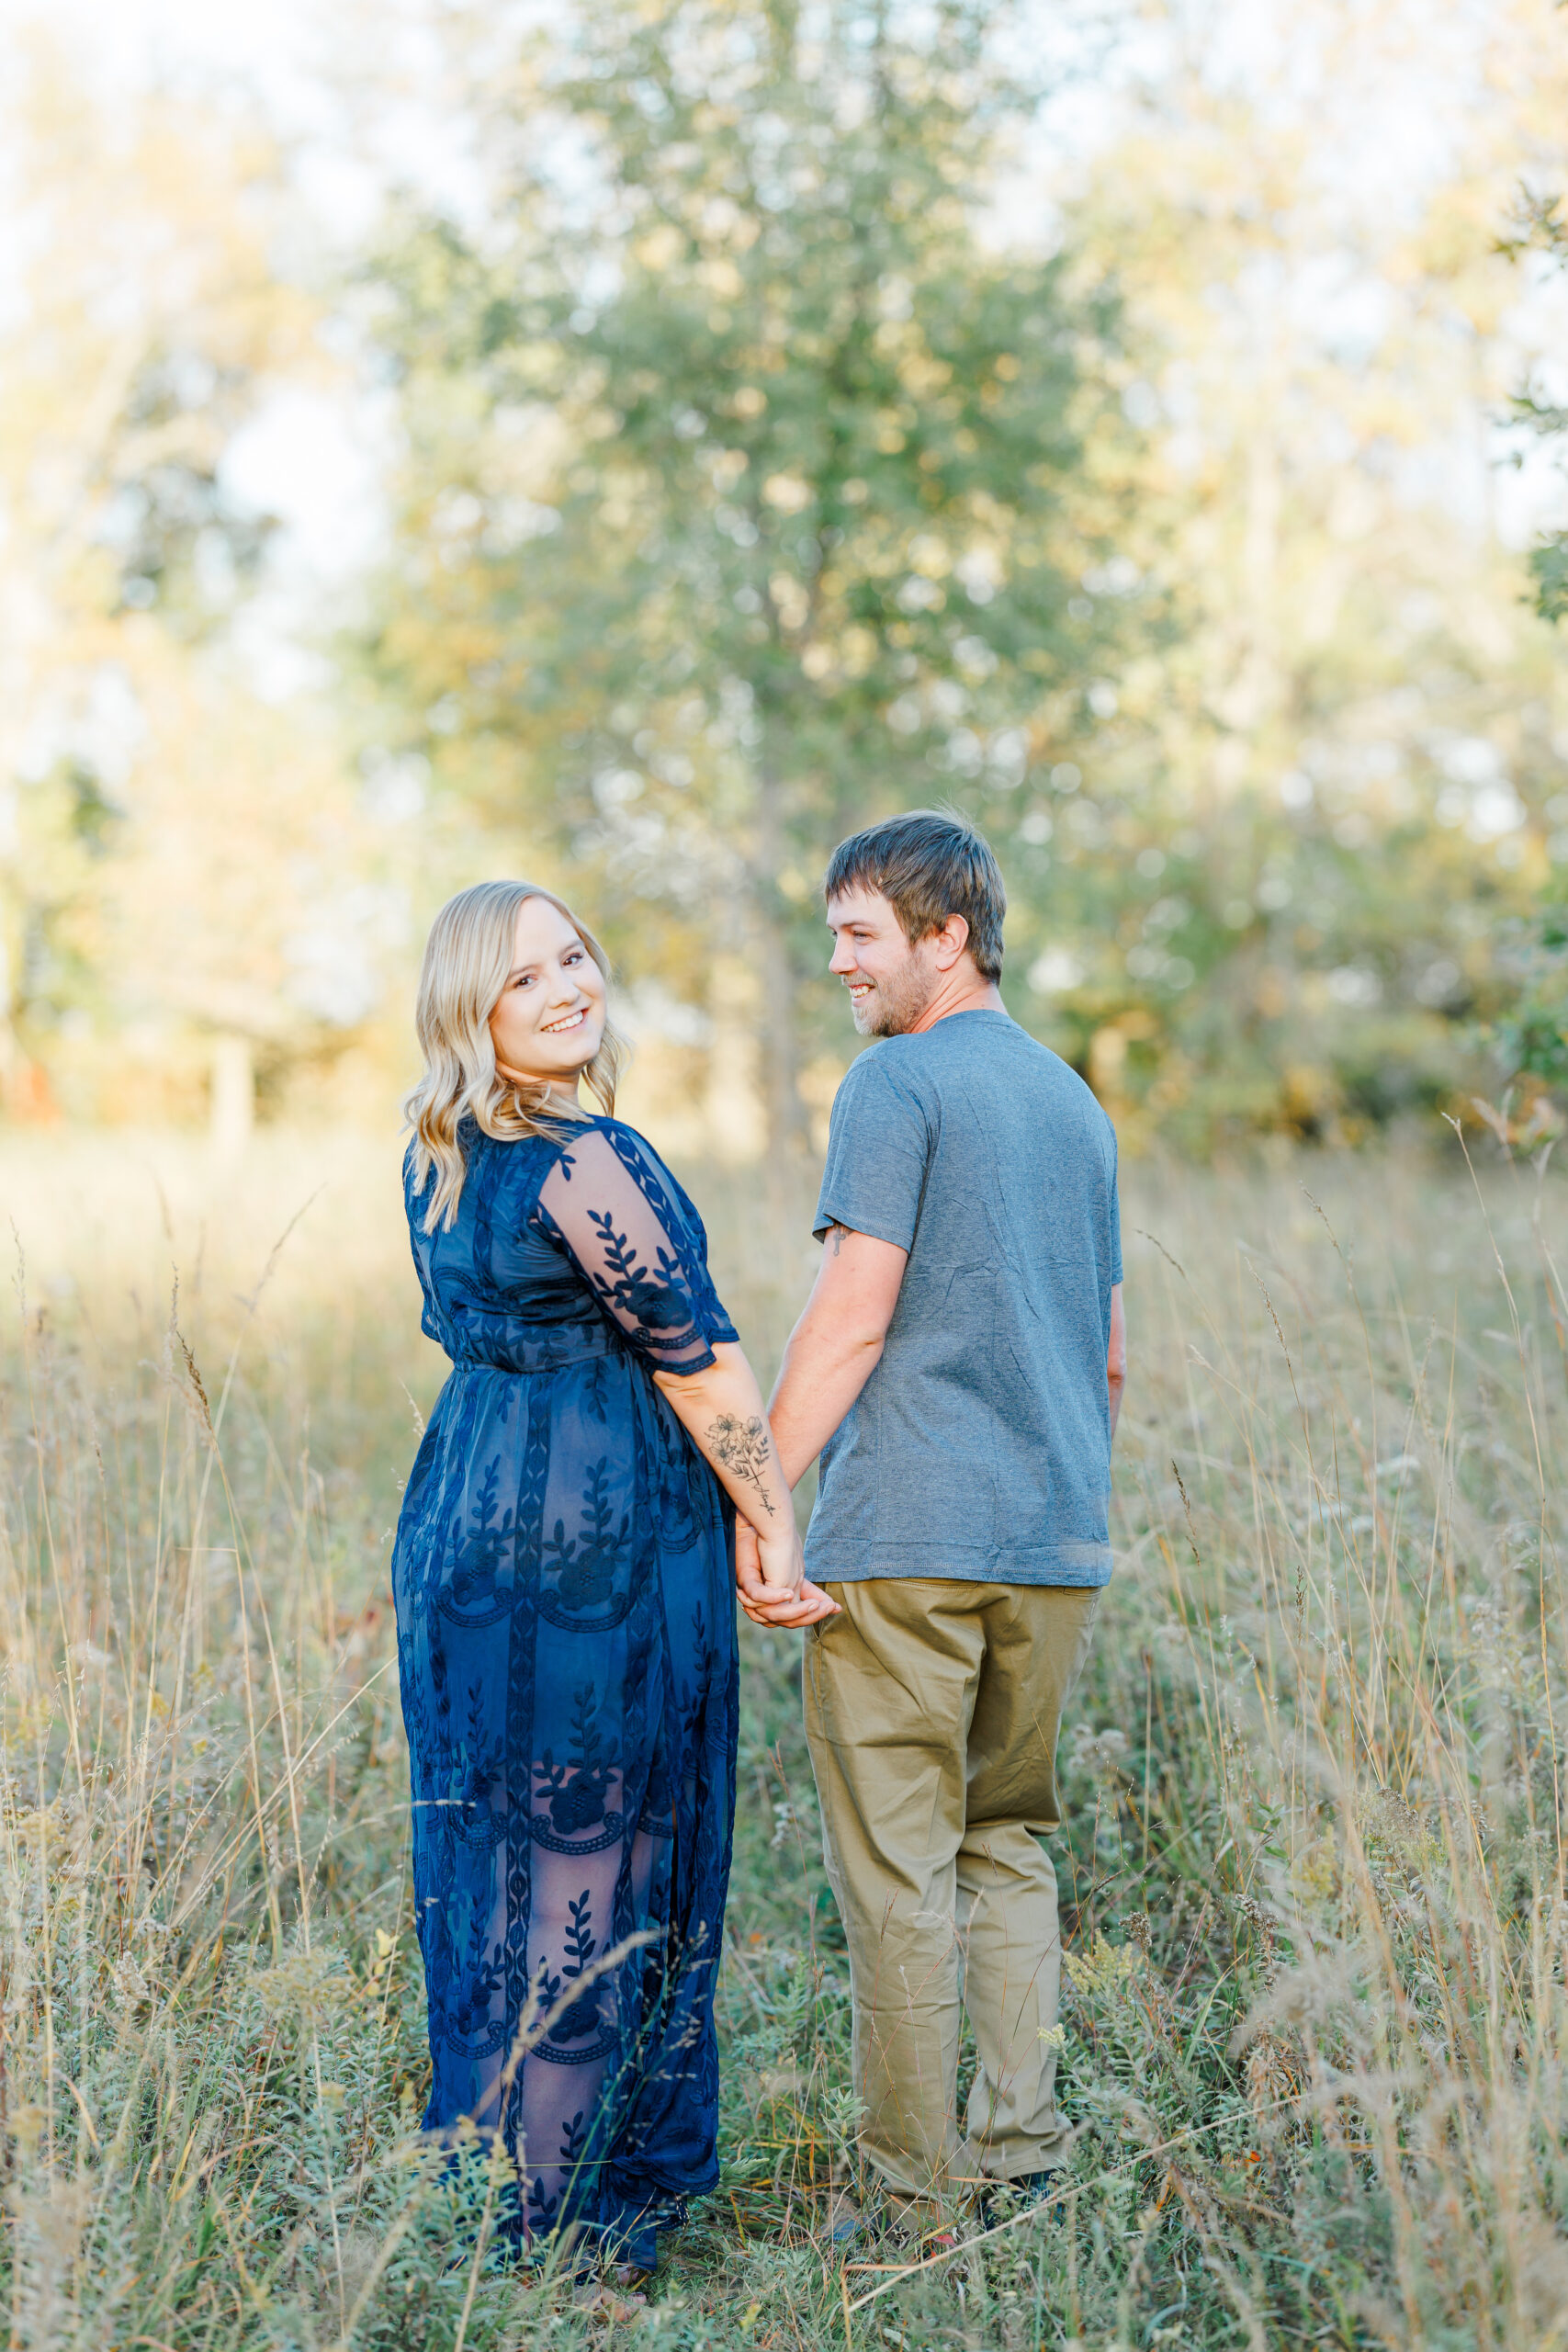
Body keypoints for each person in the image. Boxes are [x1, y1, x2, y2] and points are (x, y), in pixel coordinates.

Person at [391, 880, 835, 2278]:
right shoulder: (590, 1156)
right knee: (598, 1861)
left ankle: (491, 2192)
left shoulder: (435, 1149)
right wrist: (773, 1524)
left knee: (497, 1856)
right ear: (475, 1007)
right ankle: (564, 2237)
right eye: (525, 978)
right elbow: (697, 1362)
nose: (569, 988)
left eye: (574, 957)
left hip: (464, 1520)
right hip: (594, 1542)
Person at [736, 810, 1125, 2234]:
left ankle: (914, 2202)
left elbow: (849, 1320)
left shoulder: (895, 1085)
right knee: (1007, 1842)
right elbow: (1111, 1352)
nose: (836, 961)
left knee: (902, 1873)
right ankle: (1021, 2160)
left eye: (858, 933)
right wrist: (1060, 1491)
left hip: (902, 1539)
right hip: (1053, 1545)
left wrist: (759, 1502)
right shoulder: (1075, 1104)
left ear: (944, 936)